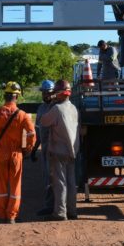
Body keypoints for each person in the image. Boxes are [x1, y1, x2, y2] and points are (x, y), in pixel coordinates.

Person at [0, 81, 36, 224]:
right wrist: (27, 149)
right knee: (16, 185)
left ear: (4, 96)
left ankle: (1, 215)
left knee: (1, 185)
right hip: (16, 154)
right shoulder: (22, 115)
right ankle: (12, 216)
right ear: (17, 97)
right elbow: (31, 134)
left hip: (0, 154)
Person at [39, 79, 80, 221]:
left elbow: (43, 121)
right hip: (72, 151)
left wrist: (52, 103)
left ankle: (60, 213)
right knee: (71, 182)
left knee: (60, 183)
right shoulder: (74, 108)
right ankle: (72, 212)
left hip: (58, 151)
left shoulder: (56, 109)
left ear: (59, 94)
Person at [32, 80, 55, 216]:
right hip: (45, 148)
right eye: (44, 92)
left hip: (54, 149)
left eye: (49, 92)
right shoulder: (41, 108)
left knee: (52, 178)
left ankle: (51, 206)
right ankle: (49, 204)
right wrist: (35, 149)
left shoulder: (56, 108)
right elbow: (38, 131)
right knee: (46, 178)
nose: (46, 95)